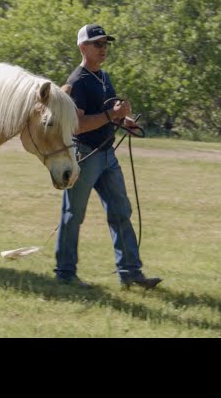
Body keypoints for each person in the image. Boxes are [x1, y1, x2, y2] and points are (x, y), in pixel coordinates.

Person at [54, 23, 162, 289]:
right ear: (83, 47)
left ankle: (131, 273)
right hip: (85, 155)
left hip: (106, 155)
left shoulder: (104, 77)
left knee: (121, 211)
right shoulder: (76, 82)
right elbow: (77, 125)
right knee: (73, 215)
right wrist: (111, 116)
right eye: (98, 44)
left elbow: (111, 112)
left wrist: (125, 121)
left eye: (105, 44)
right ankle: (65, 274)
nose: (104, 49)